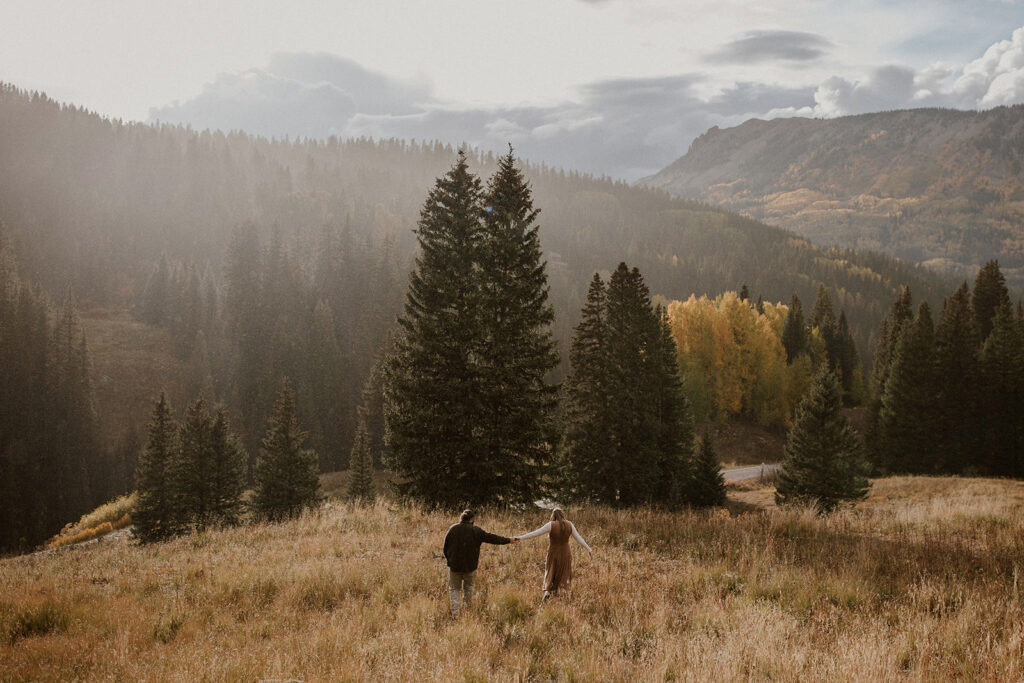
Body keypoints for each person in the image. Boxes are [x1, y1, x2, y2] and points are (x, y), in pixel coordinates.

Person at [442, 509, 516, 616]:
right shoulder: (476, 531)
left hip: (454, 566)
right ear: (472, 519)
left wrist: (450, 561)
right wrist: (508, 540)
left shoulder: (452, 529)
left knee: (454, 589)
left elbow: (445, 547)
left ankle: (455, 613)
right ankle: (466, 613)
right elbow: (492, 538)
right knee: (468, 589)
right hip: (470, 567)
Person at [514, 507, 592, 601]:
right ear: (563, 514)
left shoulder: (551, 525)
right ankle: (560, 594)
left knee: (550, 571)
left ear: (553, 515)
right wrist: (589, 549)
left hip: (553, 552)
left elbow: (535, 533)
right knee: (564, 573)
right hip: (565, 553)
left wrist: (520, 537)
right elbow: (579, 538)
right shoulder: (569, 524)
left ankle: (547, 591)